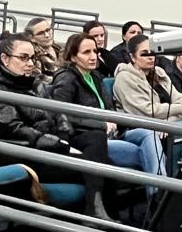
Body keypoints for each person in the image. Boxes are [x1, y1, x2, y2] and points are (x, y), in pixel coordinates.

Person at [0, 32, 114, 219]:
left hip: (47, 143)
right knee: (101, 168)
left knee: (97, 139)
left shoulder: (32, 80)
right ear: (5, 59)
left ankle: (95, 216)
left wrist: (63, 136)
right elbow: (14, 129)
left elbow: (56, 111)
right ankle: (98, 220)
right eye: (23, 58)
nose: (30, 63)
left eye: (33, 58)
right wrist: (60, 145)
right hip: (20, 151)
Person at [51, 33, 164, 184]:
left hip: (113, 133)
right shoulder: (67, 78)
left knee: (150, 134)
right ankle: (160, 192)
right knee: (150, 154)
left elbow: (109, 109)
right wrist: (102, 124)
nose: (93, 56)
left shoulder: (96, 77)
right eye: (86, 52)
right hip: (89, 138)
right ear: (72, 57)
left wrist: (113, 122)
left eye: (95, 51)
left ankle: (160, 192)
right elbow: (62, 115)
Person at [113, 35, 182, 121]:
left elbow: (181, 101)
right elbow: (147, 112)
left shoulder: (159, 72)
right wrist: (179, 109)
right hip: (142, 126)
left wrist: (170, 120)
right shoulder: (124, 78)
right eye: (144, 53)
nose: (151, 57)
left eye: (152, 52)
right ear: (133, 57)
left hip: (169, 123)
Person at [24, 16, 61, 81]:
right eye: (41, 33)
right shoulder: (33, 57)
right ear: (31, 38)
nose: (47, 35)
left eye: (48, 30)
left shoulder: (57, 48)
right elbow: (39, 81)